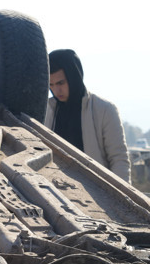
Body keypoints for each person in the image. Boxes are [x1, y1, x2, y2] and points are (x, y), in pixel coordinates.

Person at [44, 49, 131, 182]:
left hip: (97, 194)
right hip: (56, 192)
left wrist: (121, 199)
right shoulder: (46, 111)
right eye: (51, 85)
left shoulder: (105, 110)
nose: (56, 90)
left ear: (74, 77)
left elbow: (119, 160)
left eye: (61, 83)